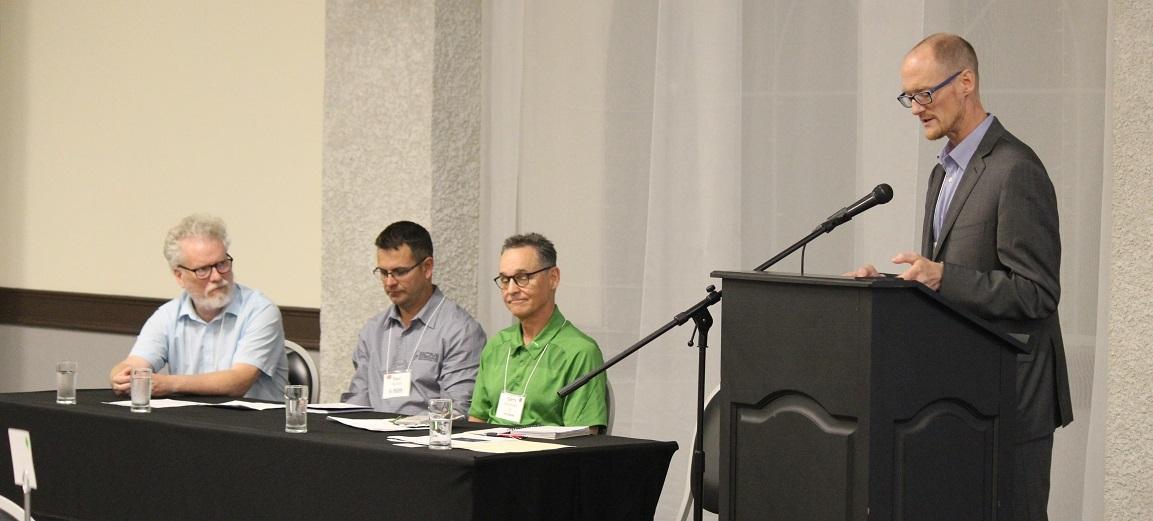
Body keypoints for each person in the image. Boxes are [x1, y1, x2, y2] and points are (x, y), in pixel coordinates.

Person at [849, 33, 1072, 520]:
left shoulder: (1016, 169)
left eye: (925, 93)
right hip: (960, 399)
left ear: (965, 82)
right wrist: (884, 286)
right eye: (908, 96)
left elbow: (1037, 293)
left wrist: (941, 276)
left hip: (1013, 401)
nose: (915, 108)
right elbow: (948, 281)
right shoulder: (942, 172)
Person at [109, 214, 288, 401]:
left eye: (222, 264)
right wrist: (120, 375)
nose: (217, 276)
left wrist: (169, 384)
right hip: (192, 422)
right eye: (203, 270)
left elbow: (238, 382)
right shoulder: (168, 315)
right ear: (179, 276)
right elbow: (134, 363)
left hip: (252, 425)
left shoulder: (260, 311)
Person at [341, 221, 486, 416]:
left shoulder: (460, 331)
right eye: (384, 273)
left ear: (427, 268)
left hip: (424, 441)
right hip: (371, 441)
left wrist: (400, 427)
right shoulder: (373, 330)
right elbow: (359, 398)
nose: (390, 282)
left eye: (400, 272)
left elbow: (457, 410)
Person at [468, 233, 608, 429]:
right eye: (504, 279)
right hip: (488, 456)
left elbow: (582, 442)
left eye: (522, 278)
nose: (511, 289)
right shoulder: (497, 345)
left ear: (553, 278)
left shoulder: (580, 352)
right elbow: (477, 420)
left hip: (541, 458)